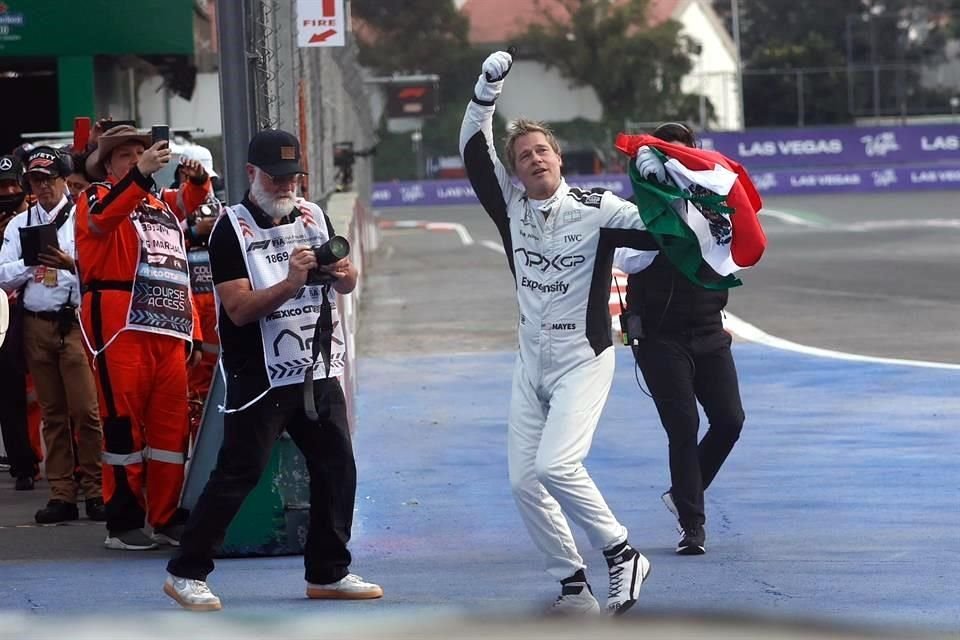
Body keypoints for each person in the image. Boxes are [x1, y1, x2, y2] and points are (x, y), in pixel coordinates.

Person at [459, 51, 658, 615]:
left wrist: (686, 199)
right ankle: (574, 586)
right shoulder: (509, 208)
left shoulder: (599, 209)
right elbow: (474, 150)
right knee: (525, 482)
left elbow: (659, 231)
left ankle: (621, 553)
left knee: (556, 466)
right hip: (530, 365)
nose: (533, 159)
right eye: (522, 156)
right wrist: (485, 92)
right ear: (516, 172)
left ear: (559, 158)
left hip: (584, 358)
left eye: (541, 150)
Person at [163, 129, 381, 612]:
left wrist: (344, 275)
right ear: (251, 175)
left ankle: (328, 571)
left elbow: (346, 282)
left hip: (315, 365)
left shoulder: (314, 216)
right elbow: (238, 309)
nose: (286, 186)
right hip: (259, 372)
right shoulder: (229, 228)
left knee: (337, 466)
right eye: (276, 177)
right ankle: (186, 572)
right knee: (239, 472)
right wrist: (291, 282)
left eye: (292, 177)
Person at [614, 122, 762, 556]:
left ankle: (682, 491)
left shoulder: (716, 207)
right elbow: (627, 259)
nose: (676, 163)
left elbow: (732, 254)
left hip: (709, 331)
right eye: (667, 155)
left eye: (684, 156)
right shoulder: (638, 208)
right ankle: (693, 526)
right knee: (683, 426)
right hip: (660, 337)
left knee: (730, 421)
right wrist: (663, 213)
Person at [74, 125, 210, 550]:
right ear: (108, 165)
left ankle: (166, 516)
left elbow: (191, 201)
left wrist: (197, 177)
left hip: (168, 331)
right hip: (120, 328)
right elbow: (102, 222)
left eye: (140, 152)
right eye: (126, 156)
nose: (136, 159)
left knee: (171, 434)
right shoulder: (94, 196)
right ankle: (123, 522)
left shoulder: (159, 203)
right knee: (122, 431)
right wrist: (142, 176)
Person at [0, 146, 105, 523]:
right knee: (52, 413)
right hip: (34, 322)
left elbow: (99, 270)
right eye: (34, 180)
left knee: (87, 411)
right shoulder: (19, 224)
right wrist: (31, 263)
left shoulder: (85, 218)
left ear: (64, 179)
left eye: (48, 179)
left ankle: (95, 489)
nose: (41, 187)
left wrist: (68, 264)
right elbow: (2, 273)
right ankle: (62, 492)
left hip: (75, 323)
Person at [0, 153, 39, 490]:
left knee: (32, 389)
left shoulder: (30, 218)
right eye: (2, 186)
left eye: (14, 184)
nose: (9, 191)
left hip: (30, 309)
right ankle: (21, 465)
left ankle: (31, 463)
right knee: (8, 388)